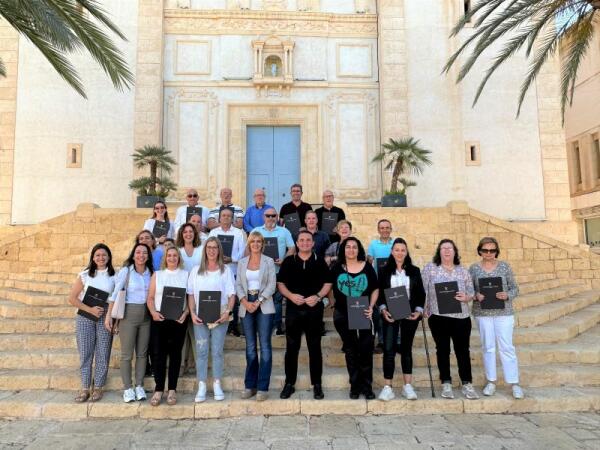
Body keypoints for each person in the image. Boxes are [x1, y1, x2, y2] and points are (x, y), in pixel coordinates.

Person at [277, 230, 332, 400]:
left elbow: (327, 283)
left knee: (314, 348)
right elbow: (280, 284)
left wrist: (317, 297)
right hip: (294, 310)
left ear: (313, 243)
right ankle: (289, 384)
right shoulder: (288, 262)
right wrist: (291, 296)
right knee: (291, 348)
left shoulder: (320, 262)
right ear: (297, 243)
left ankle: (317, 384)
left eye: (308, 240)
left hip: (314, 310)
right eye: (302, 240)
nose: (305, 243)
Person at [422, 239, 479, 400]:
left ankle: (467, 383)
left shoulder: (463, 271)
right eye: (443, 248)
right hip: (438, 317)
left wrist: (467, 297)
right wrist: (424, 308)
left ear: (455, 251)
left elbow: (471, 290)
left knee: (462, 351)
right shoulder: (430, 269)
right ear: (439, 252)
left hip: (461, 317)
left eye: (450, 248)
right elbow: (422, 289)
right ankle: (446, 383)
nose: (446, 251)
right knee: (442, 350)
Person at [469, 237, 524, 399]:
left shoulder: (505, 267)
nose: (488, 253)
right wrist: (475, 295)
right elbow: (468, 289)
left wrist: (507, 294)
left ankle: (514, 383)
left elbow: (515, 288)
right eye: (485, 250)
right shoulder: (473, 269)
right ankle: (491, 381)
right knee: (488, 347)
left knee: (507, 347)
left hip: (504, 313)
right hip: (483, 314)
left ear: (496, 251)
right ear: (480, 251)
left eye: (492, 250)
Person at [187, 237, 236, 402]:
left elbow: (231, 295)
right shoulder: (196, 271)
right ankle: (201, 384)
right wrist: (192, 313)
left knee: (216, 351)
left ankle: (216, 383)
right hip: (200, 316)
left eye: (215, 247)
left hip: (220, 317)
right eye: (209, 247)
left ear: (219, 250)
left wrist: (227, 312)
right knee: (201, 351)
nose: (212, 250)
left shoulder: (226, 270)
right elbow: (191, 294)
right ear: (205, 250)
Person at [377, 238, 425, 401]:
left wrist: (418, 311)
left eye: (402, 250)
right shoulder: (384, 271)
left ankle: (407, 386)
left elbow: (420, 293)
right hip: (390, 314)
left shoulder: (415, 270)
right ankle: (387, 387)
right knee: (389, 350)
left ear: (406, 252)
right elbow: (380, 294)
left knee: (406, 349)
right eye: (396, 250)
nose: (399, 253)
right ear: (392, 252)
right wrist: (383, 309)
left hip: (409, 314)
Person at [330, 237, 379, 399]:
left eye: (354, 247)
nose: (351, 250)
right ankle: (355, 386)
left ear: (359, 250)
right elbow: (328, 286)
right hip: (343, 314)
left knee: (365, 349)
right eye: (348, 247)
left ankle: (367, 386)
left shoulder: (367, 267)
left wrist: (371, 307)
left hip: (363, 312)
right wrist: (332, 302)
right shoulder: (337, 268)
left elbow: (375, 289)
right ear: (343, 249)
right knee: (350, 350)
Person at [105, 243, 154, 403]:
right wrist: (109, 316)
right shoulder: (126, 272)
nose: (141, 255)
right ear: (133, 255)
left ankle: (139, 385)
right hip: (128, 315)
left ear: (148, 256)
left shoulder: (151, 273)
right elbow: (115, 294)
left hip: (146, 316)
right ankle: (127, 388)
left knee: (142, 353)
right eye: (138, 252)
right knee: (127, 355)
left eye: (144, 253)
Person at [68, 243, 116, 403]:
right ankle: (85, 387)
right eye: (97, 255)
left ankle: (99, 387)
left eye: (104, 255)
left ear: (109, 257)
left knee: (103, 351)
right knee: (86, 352)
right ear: (93, 258)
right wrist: (90, 310)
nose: (101, 258)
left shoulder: (114, 276)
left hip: (105, 315)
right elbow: (72, 298)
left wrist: (112, 318)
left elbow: (115, 299)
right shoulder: (85, 275)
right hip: (85, 316)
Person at [236, 232, 277, 401]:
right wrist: (245, 302)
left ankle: (262, 387)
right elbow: (238, 284)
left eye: (259, 241)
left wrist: (258, 301)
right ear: (249, 243)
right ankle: (250, 385)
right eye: (253, 241)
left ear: (262, 244)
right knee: (251, 348)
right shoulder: (242, 262)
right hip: (246, 305)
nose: (256, 244)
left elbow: (272, 285)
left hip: (264, 304)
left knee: (265, 346)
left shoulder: (268, 261)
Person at [146, 246, 189, 406]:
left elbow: (190, 298)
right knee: (158, 354)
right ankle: (158, 389)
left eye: (175, 256)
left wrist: (185, 314)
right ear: (165, 258)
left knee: (176, 355)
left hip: (178, 320)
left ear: (179, 258)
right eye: (169, 255)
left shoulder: (185, 275)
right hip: (159, 319)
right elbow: (150, 298)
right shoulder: (157, 275)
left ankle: (172, 389)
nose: (172, 258)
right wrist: (153, 313)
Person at [252, 207, 295, 335]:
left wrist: (284, 260)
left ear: (277, 217)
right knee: (261, 298)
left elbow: (292, 248)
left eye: (273, 215)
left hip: (278, 270)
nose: (270, 218)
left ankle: (277, 327)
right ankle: (262, 326)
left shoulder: (284, 231)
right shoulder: (256, 231)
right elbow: (249, 249)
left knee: (277, 299)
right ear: (263, 217)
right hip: (260, 272)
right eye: (268, 215)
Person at [208, 208, 246, 336]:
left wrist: (232, 259)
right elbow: (208, 250)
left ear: (233, 218)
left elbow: (243, 252)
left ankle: (233, 326)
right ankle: (215, 321)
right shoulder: (213, 232)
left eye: (229, 216)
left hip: (233, 270)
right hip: (216, 271)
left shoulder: (238, 233)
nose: (226, 218)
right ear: (219, 218)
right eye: (223, 215)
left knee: (232, 298)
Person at [176, 223, 202, 374]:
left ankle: (196, 363)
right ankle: (180, 364)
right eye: (185, 232)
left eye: (190, 231)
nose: (188, 234)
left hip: (197, 294)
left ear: (195, 233)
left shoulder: (200, 250)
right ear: (181, 234)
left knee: (196, 330)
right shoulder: (177, 251)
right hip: (181, 294)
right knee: (181, 331)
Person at [367, 219, 394, 354]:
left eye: (387, 228)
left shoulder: (395, 243)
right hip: (378, 284)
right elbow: (369, 260)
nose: (385, 230)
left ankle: (397, 341)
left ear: (391, 229)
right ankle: (382, 342)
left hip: (393, 283)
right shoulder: (373, 244)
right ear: (378, 230)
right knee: (380, 315)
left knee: (396, 312)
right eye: (382, 228)